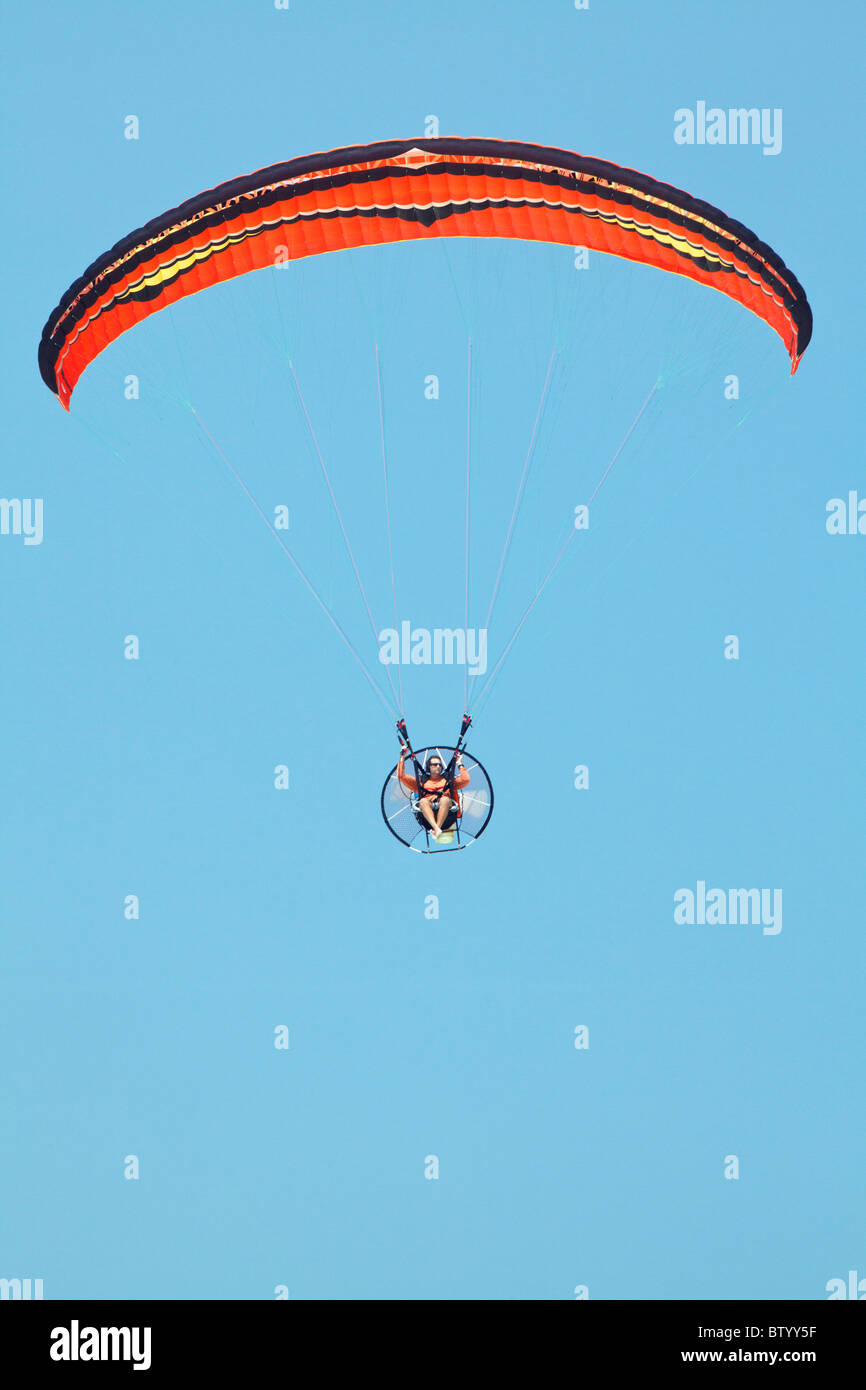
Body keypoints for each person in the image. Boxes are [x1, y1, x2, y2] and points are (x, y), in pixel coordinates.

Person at [397, 749, 470, 841]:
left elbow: (465, 780)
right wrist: (402, 757)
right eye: (435, 764)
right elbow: (401, 776)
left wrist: (459, 763)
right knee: (423, 801)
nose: (438, 766)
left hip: (447, 816)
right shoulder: (421, 782)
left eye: (440, 764)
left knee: (445, 800)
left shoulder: (448, 781)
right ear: (429, 767)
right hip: (427, 817)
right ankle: (436, 828)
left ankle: (437, 828)